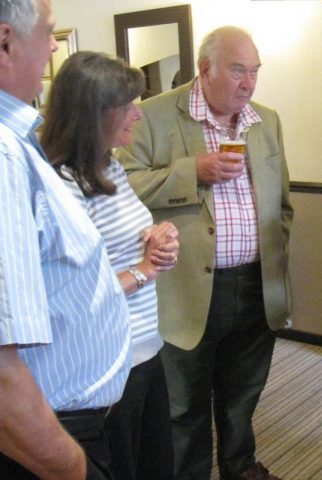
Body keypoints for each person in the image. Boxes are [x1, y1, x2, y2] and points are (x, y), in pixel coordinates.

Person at [116, 26, 293, 480]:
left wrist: (272, 253)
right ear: (204, 69)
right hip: (185, 289)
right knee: (184, 405)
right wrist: (191, 171)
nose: (248, 83)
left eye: (254, 72)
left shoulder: (266, 120)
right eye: (238, 71)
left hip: (256, 283)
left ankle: (239, 467)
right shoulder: (151, 116)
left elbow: (282, 203)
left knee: (243, 394)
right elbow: (122, 186)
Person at [0, 1, 131, 479]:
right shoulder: (3, 156)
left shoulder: (22, 142)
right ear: (5, 43)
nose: (55, 45)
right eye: (49, 32)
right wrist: (72, 467)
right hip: (48, 439)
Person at [40, 51, 180, 480]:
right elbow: (73, 290)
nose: (138, 115)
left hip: (144, 344)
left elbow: (123, 239)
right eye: (128, 105)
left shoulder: (111, 166)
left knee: (157, 464)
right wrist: (143, 271)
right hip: (107, 361)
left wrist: (159, 233)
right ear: (94, 111)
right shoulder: (62, 184)